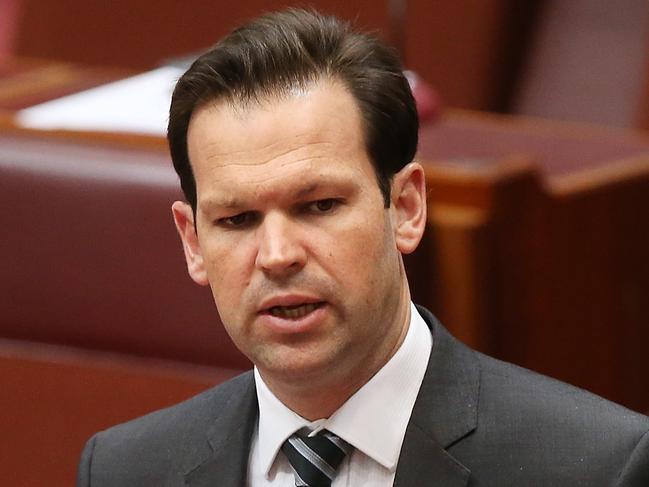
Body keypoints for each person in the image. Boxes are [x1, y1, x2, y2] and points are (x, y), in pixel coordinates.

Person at [77, 8, 649, 486]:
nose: (277, 255)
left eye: (319, 205)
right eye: (237, 219)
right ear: (192, 241)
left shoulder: (595, 467)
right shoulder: (126, 470)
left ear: (405, 207)